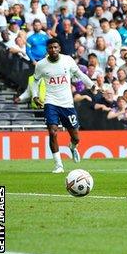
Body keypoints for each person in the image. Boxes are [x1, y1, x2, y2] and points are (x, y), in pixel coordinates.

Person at [32, 38, 97, 173]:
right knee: (52, 132)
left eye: (56, 47)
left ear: (59, 48)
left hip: (67, 103)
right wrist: (35, 96)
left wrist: (91, 85)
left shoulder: (67, 60)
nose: (53, 50)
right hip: (51, 102)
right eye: (51, 48)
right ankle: (58, 165)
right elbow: (35, 81)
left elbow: (79, 74)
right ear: (47, 50)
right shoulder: (41, 65)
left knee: (76, 137)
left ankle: (72, 147)